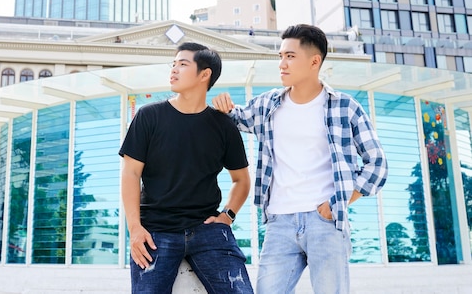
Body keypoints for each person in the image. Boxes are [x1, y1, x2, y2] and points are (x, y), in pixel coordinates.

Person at [212, 24, 388, 294]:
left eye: (290, 56)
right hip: (279, 222)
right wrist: (224, 106)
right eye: (280, 56)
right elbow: (236, 118)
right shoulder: (268, 104)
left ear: (314, 61)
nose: (281, 64)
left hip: (325, 223)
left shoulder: (344, 107)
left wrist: (339, 202)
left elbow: (377, 164)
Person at [120, 42, 254, 293]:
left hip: (207, 230)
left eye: (183, 64)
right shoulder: (149, 116)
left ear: (205, 75)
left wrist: (228, 215)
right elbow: (131, 173)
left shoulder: (223, 125)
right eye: (173, 64)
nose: (174, 70)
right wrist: (134, 228)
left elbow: (241, 180)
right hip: (155, 231)